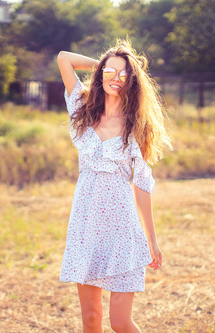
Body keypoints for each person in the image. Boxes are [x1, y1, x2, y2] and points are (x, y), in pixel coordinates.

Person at [57, 39, 172, 333]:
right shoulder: (82, 108)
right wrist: (104, 69)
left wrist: (152, 239)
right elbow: (64, 58)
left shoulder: (135, 126)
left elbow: (142, 184)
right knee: (91, 319)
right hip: (87, 225)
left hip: (122, 229)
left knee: (121, 323)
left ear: (132, 81)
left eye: (124, 75)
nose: (117, 79)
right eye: (111, 73)